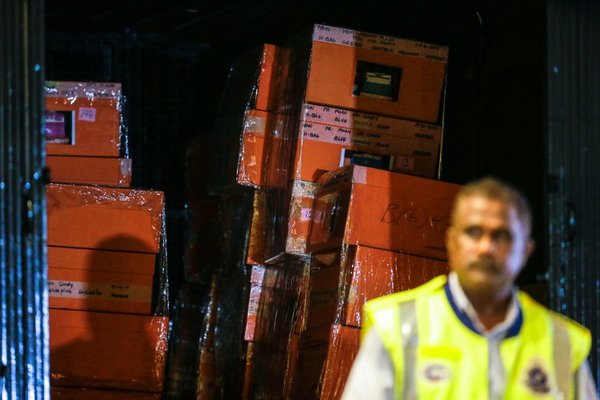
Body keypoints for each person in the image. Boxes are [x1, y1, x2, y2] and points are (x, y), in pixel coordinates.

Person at [341, 177, 598, 399]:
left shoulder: (562, 344)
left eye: (502, 235)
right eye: (474, 232)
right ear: (451, 242)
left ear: (526, 250)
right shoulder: (396, 327)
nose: (486, 247)